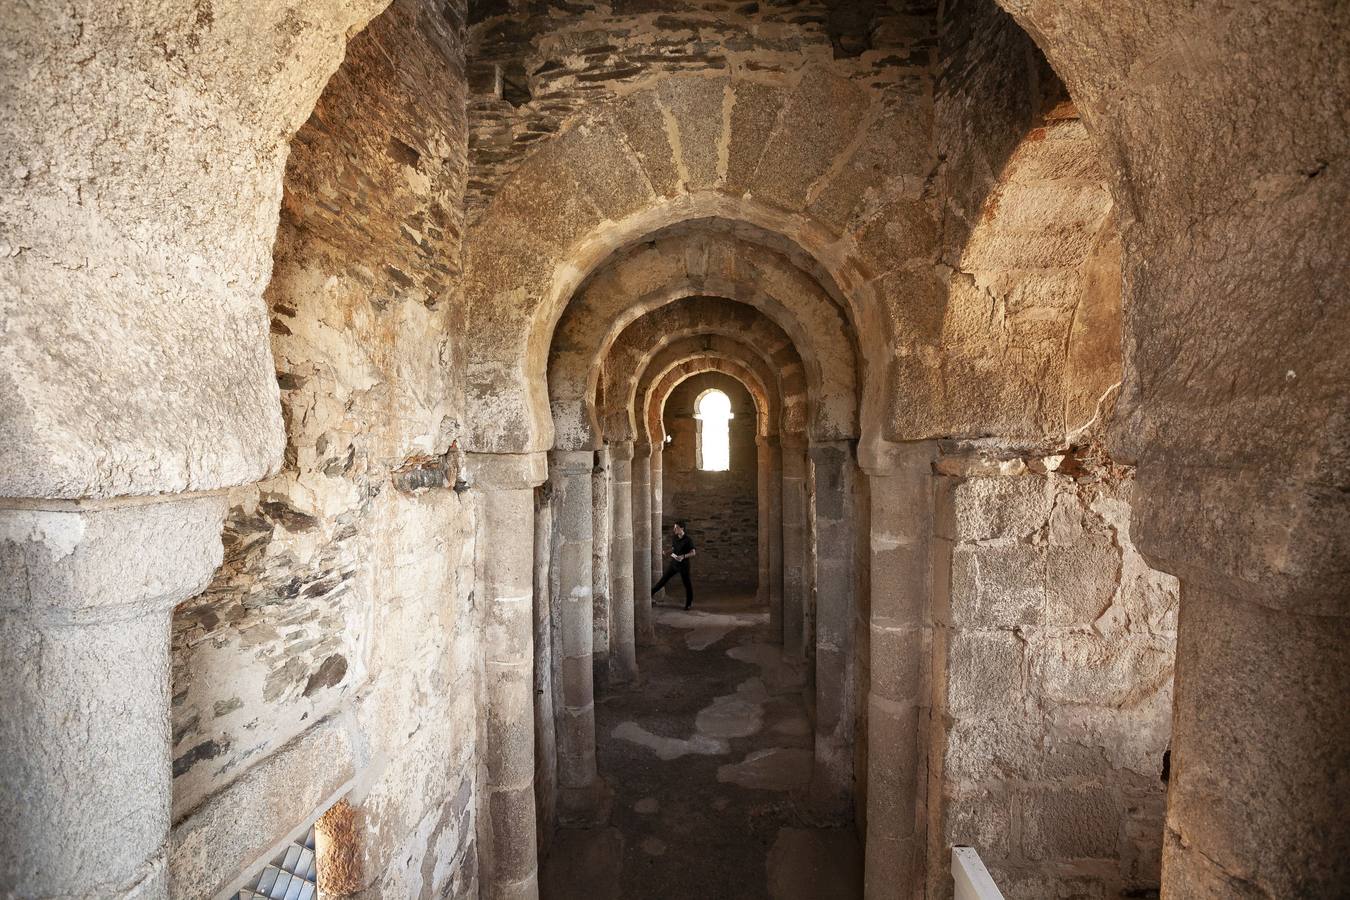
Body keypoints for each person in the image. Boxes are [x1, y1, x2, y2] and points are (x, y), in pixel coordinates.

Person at [651, 520, 696, 610]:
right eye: (674, 527)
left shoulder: (688, 540)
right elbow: (674, 548)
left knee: (687, 584)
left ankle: (689, 604)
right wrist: (667, 552)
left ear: (682, 528)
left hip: (684, 566)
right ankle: (650, 595)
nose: (674, 529)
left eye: (676, 527)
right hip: (674, 564)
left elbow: (693, 552)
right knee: (663, 580)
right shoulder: (675, 538)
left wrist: (683, 556)